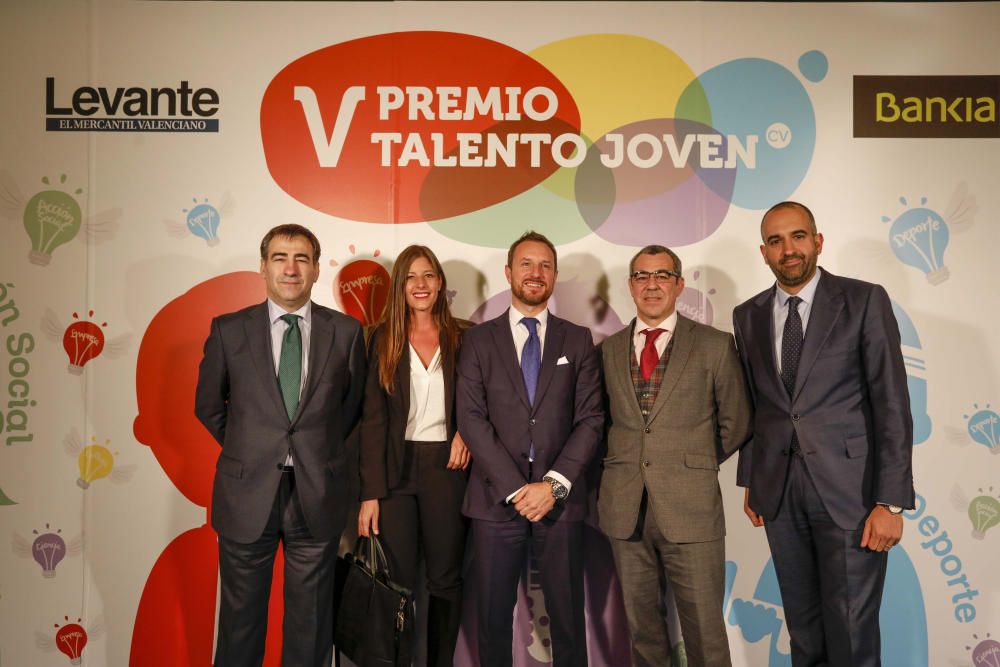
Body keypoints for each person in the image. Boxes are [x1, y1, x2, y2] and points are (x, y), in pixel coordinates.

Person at [733, 201, 915, 666]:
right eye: (775, 241)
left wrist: (890, 502)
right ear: (764, 252)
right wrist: (752, 478)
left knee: (852, 631)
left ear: (817, 241)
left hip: (851, 492)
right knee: (803, 631)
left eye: (797, 236)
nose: (787, 249)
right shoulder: (747, 315)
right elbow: (758, 405)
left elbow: (891, 404)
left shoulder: (863, 299)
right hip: (779, 494)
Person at [195, 224, 366, 667]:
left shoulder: (346, 333)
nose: (290, 269)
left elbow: (349, 411)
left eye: (301, 259)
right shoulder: (229, 330)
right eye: (279, 258)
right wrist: (252, 449)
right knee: (240, 623)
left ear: (314, 270)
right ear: (263, 267)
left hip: (317, 495)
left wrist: (313, 452)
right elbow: (209, 406)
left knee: (311, 627)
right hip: (246, 493)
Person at [598, 245, 752, 667]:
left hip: (692, 509)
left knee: (705, 631)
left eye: (663, 275)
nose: (652, 285)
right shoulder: (608, 350)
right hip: (625, 511)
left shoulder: (715, 345)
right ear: (630, 284)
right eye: (642, 276)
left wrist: (693, 462)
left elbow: (736, 422)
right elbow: (601, 425)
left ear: (679, 284)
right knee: (643, 632)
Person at [456, 231, 604, 667]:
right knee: (494, 619)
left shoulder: (577, 340)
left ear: (555, 275)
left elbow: (591, 419)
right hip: (495, 502)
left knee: (568, 619)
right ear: (508, 273)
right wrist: (518, 489)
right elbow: (472, 419)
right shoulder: (479, 341)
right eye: (526, 264)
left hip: (559, 504)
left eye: (544, 266)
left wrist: (551, 487)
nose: (535, 274)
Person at [357, 245, 470, 666]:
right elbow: (371, 420)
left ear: (440, 283)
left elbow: (481, 402)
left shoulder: (465, 336)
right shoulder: (379, 338)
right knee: (397, 585)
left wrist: (468, 433)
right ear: (399, 286)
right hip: (394, 472)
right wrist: (370, 494)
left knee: (445, 580)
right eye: (410, 277)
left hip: (448, 469)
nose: (420, 285)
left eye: (428, 276)